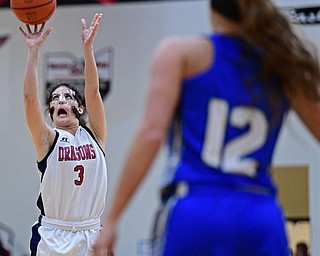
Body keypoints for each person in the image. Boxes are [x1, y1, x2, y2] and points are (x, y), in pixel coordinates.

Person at [93, 0, 320, 255]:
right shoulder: (283, 66)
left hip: (197, 209)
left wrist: (112, 218)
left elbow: (152, 134)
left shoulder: (181, 53)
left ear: (212, 7)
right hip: (261, 213)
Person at [19, 13, 111, 255]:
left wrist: (88, 48)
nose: (60, 99)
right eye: (55, 98)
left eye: (67, 96)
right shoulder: (48, 141)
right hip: (53, 235)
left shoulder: (95, 134)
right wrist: (33, 52)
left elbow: (93, 92)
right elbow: (29, 102)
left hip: (90, 233)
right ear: (51, 110)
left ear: (79, 109)